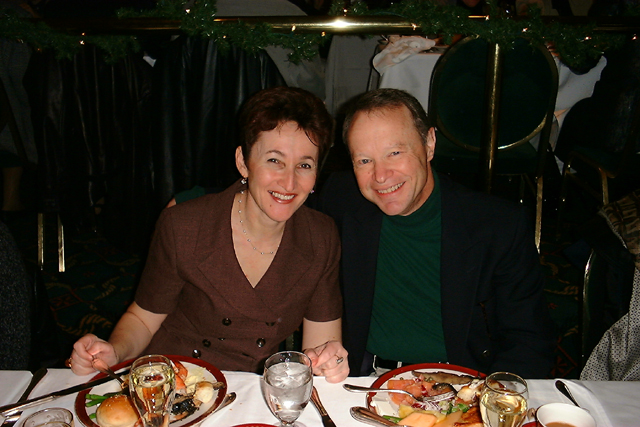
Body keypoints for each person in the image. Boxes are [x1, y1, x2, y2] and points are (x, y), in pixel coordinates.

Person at [68, 87, 349, 383]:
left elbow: (321, 345)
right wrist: (114, 351)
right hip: (176, 377)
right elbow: (143, 318)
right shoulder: (184, 226)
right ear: (243, 162)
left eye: (304, 165)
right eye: (274, 160)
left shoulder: (321, 238)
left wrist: (328, 361)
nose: (289, 182)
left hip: (253, 387)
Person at [317, 89, 556, 378]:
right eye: (364, 161)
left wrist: (492, 397)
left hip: (462, 384)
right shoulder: (339, 199)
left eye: (395, 153)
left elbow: (529, 342)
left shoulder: (498, 226)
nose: (380, 176)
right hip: (365, 378)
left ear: (429, 143)